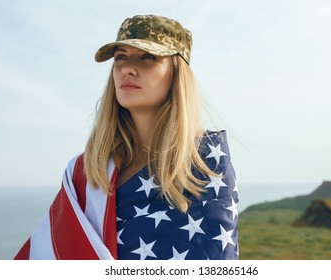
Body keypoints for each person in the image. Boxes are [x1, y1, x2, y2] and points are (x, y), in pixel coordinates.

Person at [14, 14, 238, 260]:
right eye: (121, 57)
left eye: (148, 57)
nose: (127, 68)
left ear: (177, 72)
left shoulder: (206, 159)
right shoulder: (85, 171)